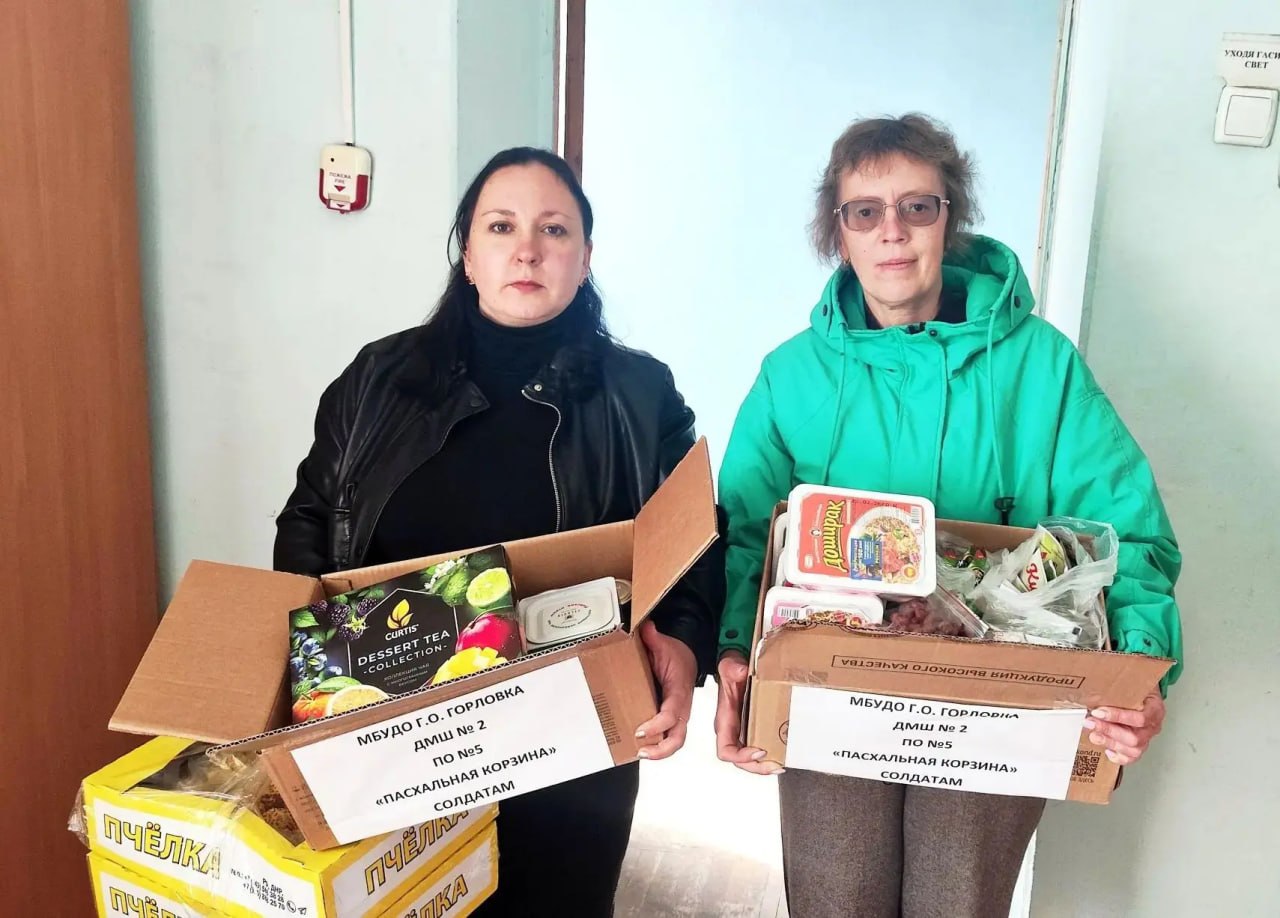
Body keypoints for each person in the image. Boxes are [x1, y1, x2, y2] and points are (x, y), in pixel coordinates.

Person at [713, 114, 1182, 918]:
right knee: (837, 896)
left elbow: (1125, 526)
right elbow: (748, 534)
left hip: (1000, 690)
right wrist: (732, 652)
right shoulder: (791, 376)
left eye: (917, 207)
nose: (892, 231)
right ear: (838, 231)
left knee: (956, 902)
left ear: (949, 217)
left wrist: (1138, 670)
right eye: (866, 211)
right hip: (834, 679)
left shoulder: (1041, 366)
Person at [274, 146, 721, 917]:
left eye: (555, 229)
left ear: (585, 259)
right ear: (468, 254)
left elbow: (693, 535)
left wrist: (683, 639)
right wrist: (305, 666)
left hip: (571, 732)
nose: (528, 249)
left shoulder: (640, 393)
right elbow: (311, 518)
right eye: (502, 226)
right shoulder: (377, 378)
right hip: (391, 724)